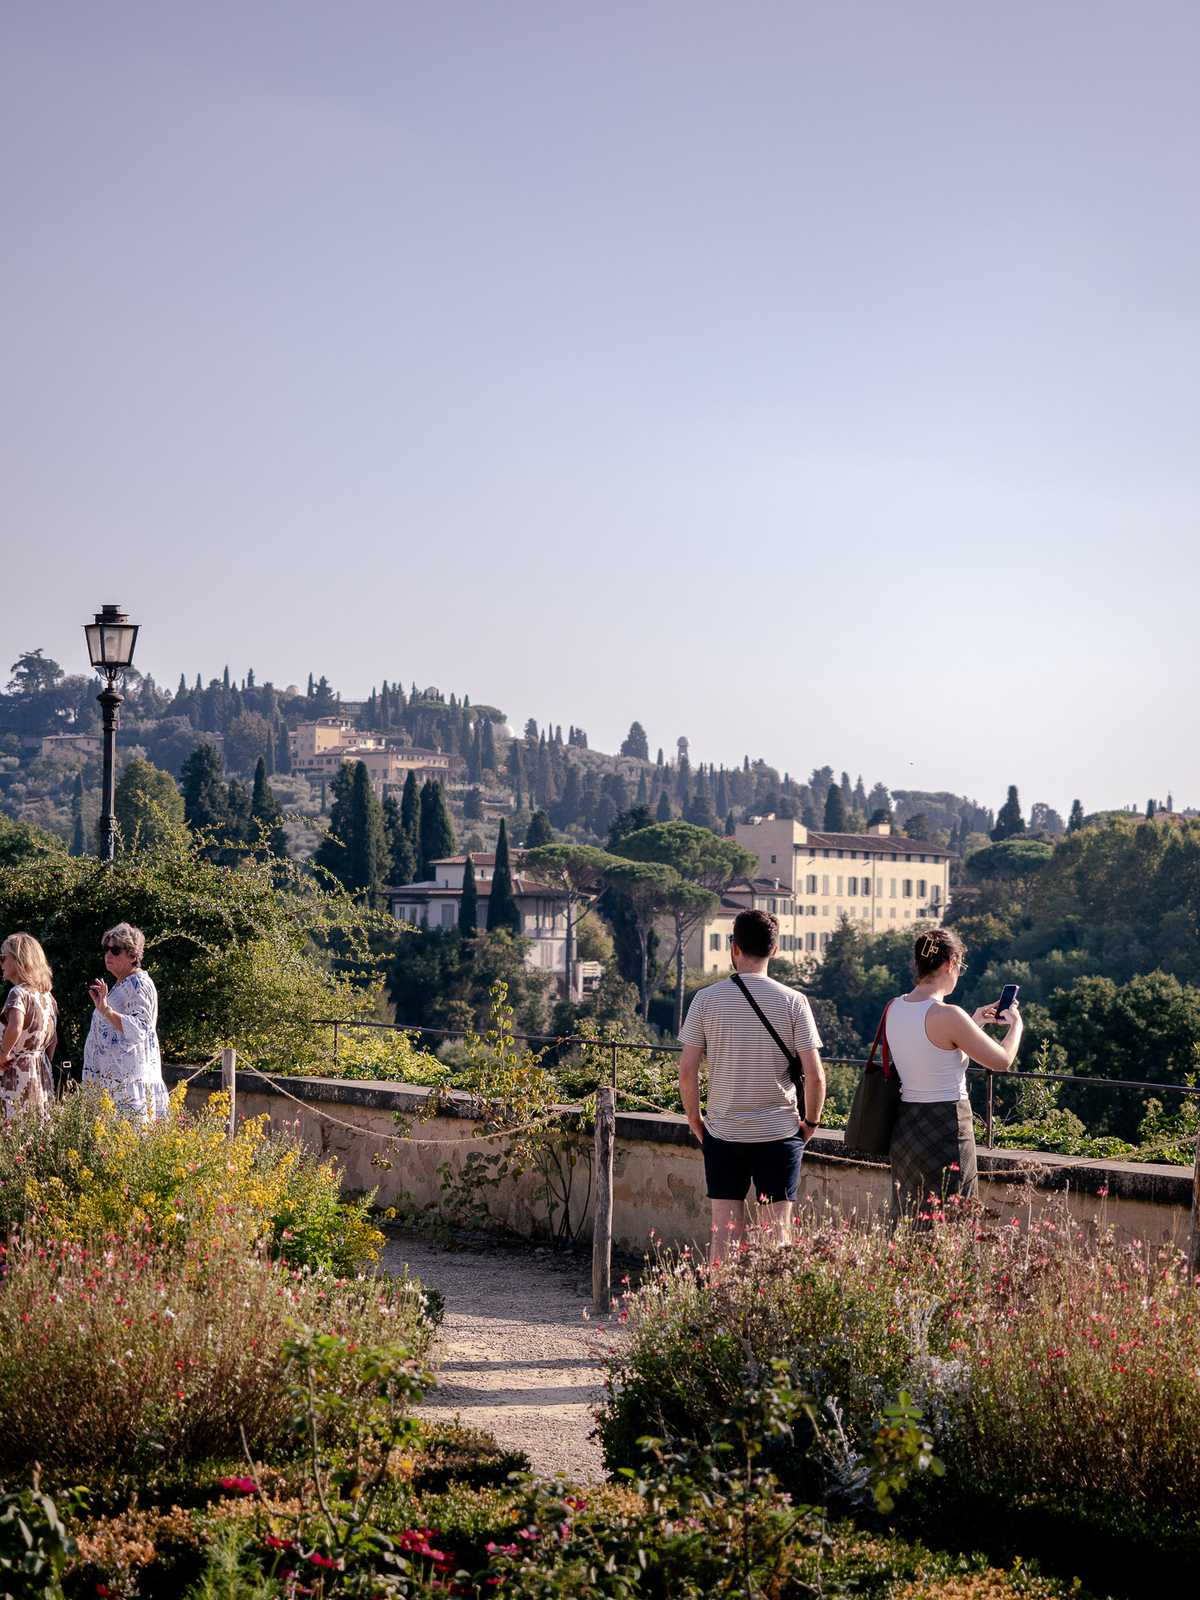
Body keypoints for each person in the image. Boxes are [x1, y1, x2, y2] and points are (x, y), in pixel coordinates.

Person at [678, 908, 826, 1263]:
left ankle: (719, 1312)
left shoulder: (705, 1000)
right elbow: (816, 1075)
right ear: (775, 950)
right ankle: (772, 1314)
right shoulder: (794, 1002)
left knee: (725, 1234)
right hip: (779, 1131)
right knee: (777, 1236)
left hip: (723, 1131)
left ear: (734, 948)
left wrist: (697, 1122)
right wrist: (811, 1124)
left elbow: (687, 1072)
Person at [886, 926, 1023, 1224]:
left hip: (907, 1126)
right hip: (947, 1123)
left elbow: (935, 1057)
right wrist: (1016, 1026)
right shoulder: (947, 1015)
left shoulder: (894, 1008)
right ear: (950, 964)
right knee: (953, 1213)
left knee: (910, 1213)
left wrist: (974, 1022)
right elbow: (1001, 1061)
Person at [83, 922, 169, 1122]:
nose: (108, 955)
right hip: (112, 1086)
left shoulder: (139, 984)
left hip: (128, 1088)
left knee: (126, 1145)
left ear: (132, 955)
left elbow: (140, 1029)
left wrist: (105, 1010)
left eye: (115, 950)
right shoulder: (122, 984)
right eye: (106, 949)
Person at [0, 932, 57, 1119]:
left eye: (3, 958)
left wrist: (3, 1054)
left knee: (15, 1131)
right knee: (38, 1130)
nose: (1, 963)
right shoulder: (47, 997)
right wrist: (41, 1060)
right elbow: (53, 1040)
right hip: (41, 1070)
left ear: (19, 960)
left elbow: (15, 1026)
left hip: (16, 1072)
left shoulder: (18, 994)